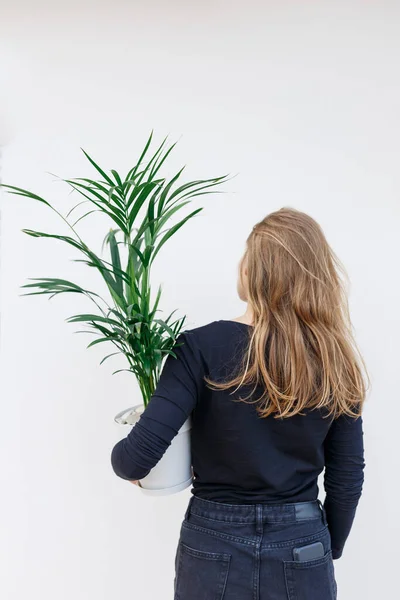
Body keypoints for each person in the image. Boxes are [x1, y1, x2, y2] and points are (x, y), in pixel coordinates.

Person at [111, 207, 367, 600]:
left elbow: (136, 459)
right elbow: (346, 479)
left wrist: (123, 460)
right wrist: (325, 548)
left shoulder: (198, 347)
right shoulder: (335, 360)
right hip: (301, 539)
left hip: (212, 542)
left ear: (253, 271)